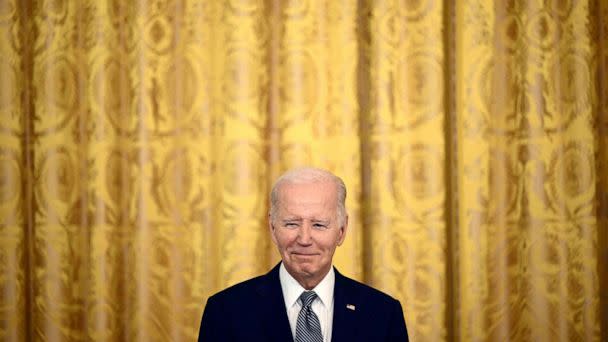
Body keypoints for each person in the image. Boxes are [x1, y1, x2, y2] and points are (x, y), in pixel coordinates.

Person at [198, 167, 409, 341]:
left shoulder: (383, 314)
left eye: (318, 225)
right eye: (291, 224)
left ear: (342, 231)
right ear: (272, 228)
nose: (305, 239)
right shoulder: (226, 312)